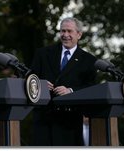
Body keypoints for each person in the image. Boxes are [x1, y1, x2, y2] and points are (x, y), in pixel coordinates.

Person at [31, 17, 97, 146]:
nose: (65, 35)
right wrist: (39, 83)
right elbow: (30, 77)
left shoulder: (89, 60)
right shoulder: (43, 53)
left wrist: (71, 91)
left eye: (69, 31)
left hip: (70, 121)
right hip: (44, 119)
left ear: (79, 34)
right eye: (62, 31)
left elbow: (91, 87)